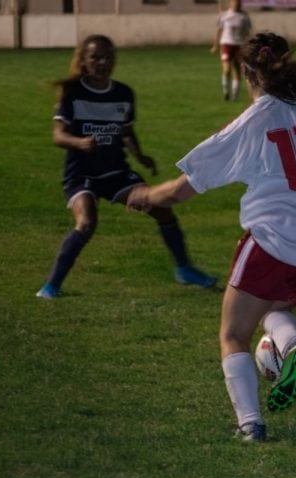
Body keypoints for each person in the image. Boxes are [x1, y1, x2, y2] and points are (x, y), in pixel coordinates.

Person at [128, 32, 296, 442]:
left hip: (273, 241)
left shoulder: (257, 118)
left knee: (233, 333)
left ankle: (250, 424)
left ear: (248, 72)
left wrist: (147, 194)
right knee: (273, 309)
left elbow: (186, 187)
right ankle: (293, 345)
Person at [36, 34, 216, 299]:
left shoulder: (123, 93)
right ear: (84, 61)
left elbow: (127, 132)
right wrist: (79, 142)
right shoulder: (73, 92)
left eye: (108, 56)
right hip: (81, 174)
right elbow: (58, 135)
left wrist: (141, 156)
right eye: (96, 57)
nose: (103, 62)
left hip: (115, 172)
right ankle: (51, 286)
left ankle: (184, 268)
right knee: (86, 223)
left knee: (162, 210)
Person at [211, 0, 251, 101]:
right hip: (226, 44)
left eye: (239, 3)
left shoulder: (244, 17)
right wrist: (215, 45)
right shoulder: (224, 15)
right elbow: (219, 30)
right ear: (230, 3)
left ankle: (235, 96)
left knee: (237, 70)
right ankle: (226, 92)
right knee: (227, 69)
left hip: (239, 45)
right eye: (235, 2)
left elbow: (247, 32)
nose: (237, 4)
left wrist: (248, 45)